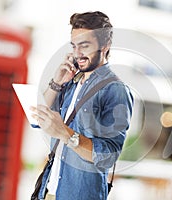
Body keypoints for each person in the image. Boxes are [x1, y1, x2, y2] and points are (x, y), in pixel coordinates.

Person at [31, 11, 133, 200]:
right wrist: (56, 82)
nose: (77, 53)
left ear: (105, 46)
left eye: (84, 46)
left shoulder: (115, 90)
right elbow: (37, 119)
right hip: (49, 191)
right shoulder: (70, 84)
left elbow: (108, 155)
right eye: (74, 46)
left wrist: (65, 133)